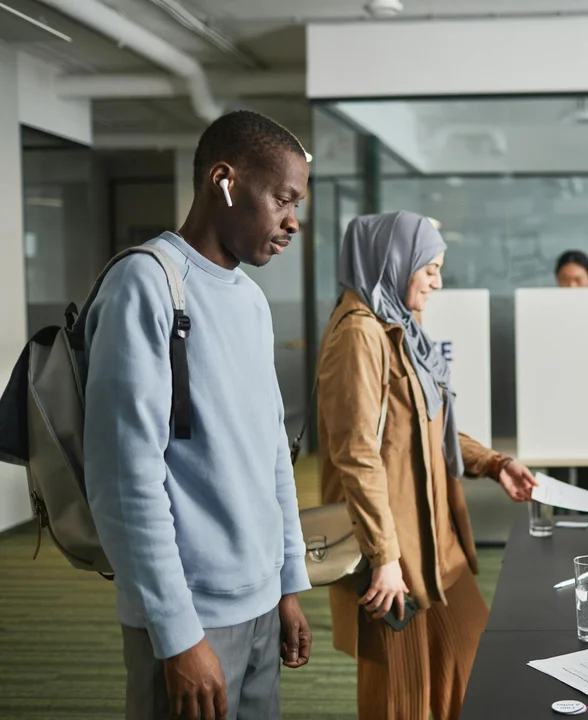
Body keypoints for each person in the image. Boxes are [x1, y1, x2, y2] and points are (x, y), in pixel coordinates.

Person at [83, 110, 313, 720]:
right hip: (192, 617)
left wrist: (287, 583)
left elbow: (271, 455)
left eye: (298, 203)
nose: (294, 221)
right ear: (224, 181)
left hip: (261, 605)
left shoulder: (252, 300)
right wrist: (176, 632)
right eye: (282, 198)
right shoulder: (147, 284)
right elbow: (124, 481)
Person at [316, 211, 537, 720]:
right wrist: (385, 556)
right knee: (405, 695)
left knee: (470, 663)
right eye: (430, 267)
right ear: (394, 262)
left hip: (437, 543)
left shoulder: (402, 328)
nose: (438, 281)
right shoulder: (359, 334)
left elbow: (428, 425)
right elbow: (356, 454)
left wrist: (492, 463)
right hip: (396, 549)